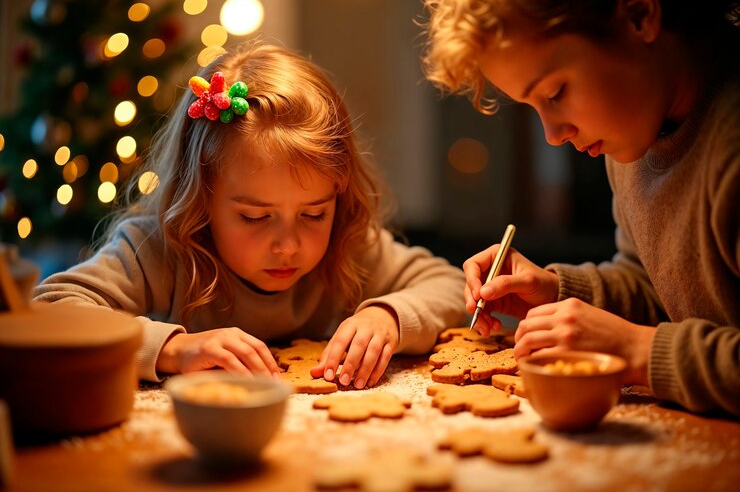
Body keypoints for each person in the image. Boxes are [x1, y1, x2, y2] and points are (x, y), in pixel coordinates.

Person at [33, 42, 467, 389]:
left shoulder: (347, 248)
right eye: (256, 218)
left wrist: (387, 316)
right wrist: (171, 349)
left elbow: (449, 285)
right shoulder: (158, 251)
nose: (289, 245)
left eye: (314, 213)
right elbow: (49, 311)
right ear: (200, 200)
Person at [421, 0, 739, 416]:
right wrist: (554, 292)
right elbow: (663, 290)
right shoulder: (632, 132)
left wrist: (637, 350)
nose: (553, 135)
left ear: (639, 15)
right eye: (532, 106)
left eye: (555, 93)